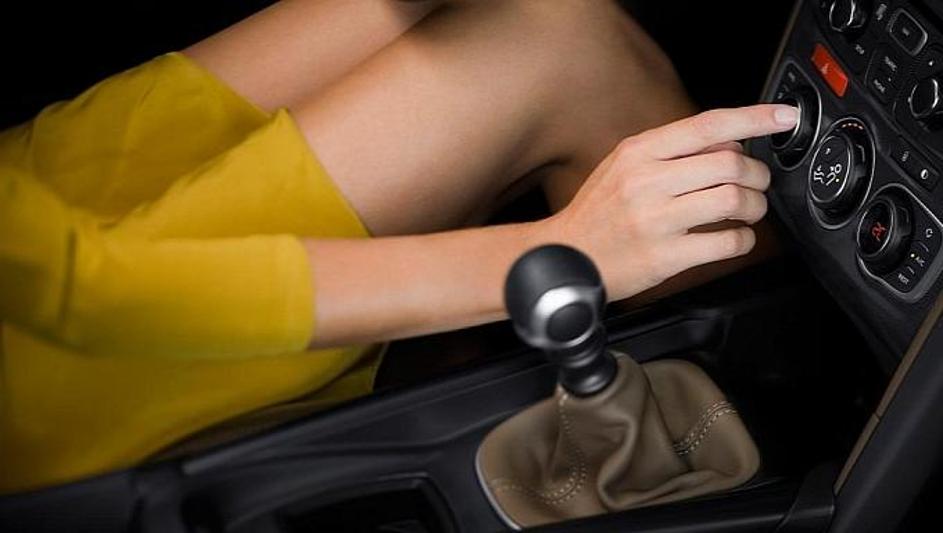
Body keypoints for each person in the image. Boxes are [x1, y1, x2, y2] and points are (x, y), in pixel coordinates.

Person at [0, 0, 797, 493]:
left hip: (34, 190)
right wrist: (557, 252)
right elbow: (89, 289)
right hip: (42, 353)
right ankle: (786, 414)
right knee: (568, 49)